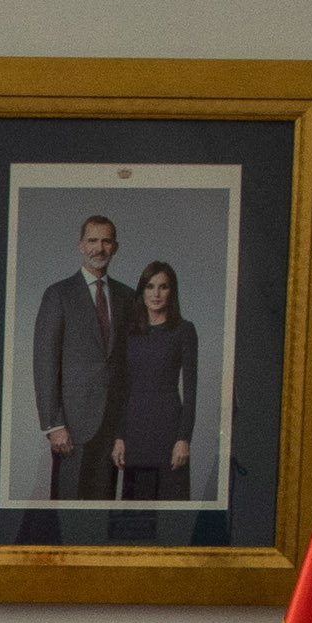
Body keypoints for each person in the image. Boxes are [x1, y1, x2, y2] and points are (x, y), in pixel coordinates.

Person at [33, 210, 132, 500]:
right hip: (72, 430)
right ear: (80, 245)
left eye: (106, 241)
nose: (98, 248)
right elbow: (44, 363)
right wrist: (54, 424)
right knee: (67, 515)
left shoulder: (128, 297)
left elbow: (129, 368)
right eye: (92, 240)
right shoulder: (59, 295)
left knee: (101, 518)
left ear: (115, 247)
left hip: (112, 430)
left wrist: (124, 430)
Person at [113, 260, 202, 509]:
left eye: (163, 287)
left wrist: (184, 438)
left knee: (171, 517)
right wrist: (120, 437)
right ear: (142, 291)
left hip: (169, 433)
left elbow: (191, 390)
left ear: (171, 291)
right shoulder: (131, 333)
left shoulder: (184, 331)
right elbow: (124, 389)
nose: (156, 294)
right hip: (136, 435)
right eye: (150, 286)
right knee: (135, 522)